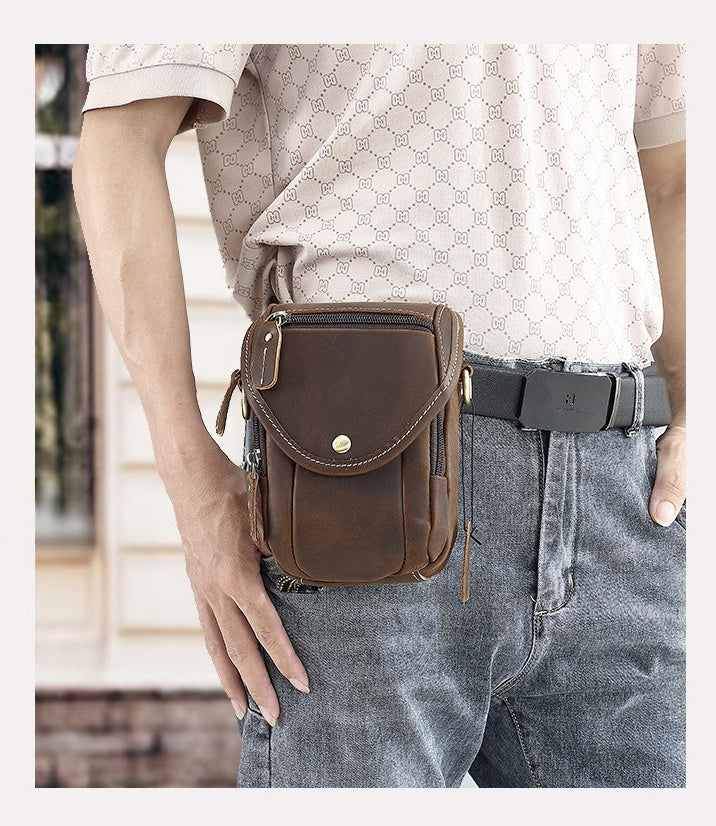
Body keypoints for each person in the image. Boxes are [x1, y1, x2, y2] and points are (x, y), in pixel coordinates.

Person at [73, 44, 686, 788]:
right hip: (363, 473)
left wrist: (694, 412)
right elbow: (121, 135)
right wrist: (191, 481)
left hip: (627, 490)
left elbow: (675, 174)